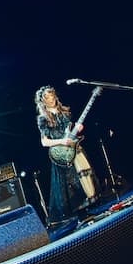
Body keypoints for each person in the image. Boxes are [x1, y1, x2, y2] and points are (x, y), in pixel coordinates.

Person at [35, 86, 98, 233]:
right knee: (71, 183)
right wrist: (62, 141)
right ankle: (81, 215)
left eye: (52, 95)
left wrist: (77, 128)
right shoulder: (43, 119)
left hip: (74, 148)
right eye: (47, 97)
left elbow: (70, 131)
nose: (51, 98)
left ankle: (87, 211)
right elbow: (44, 142)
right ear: (43, 101)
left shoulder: (65, 112)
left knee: (84, 177)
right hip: (61, 153)